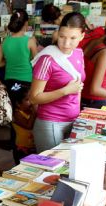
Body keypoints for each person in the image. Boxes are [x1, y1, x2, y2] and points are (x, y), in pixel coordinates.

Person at [29, 12, 86, 153]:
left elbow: (78, 87)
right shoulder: (47, 59)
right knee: (52, 168)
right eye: (62, 37)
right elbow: (34, 97)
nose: (66, 43)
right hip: (51, 123)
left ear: (82, 36)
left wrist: (78, 116)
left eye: (73, 38)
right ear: (57, 33)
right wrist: (65, 91)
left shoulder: (79, 53)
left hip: (74, 120)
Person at [0, 10, 37, 90]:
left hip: (9, 81)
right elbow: (37, 63)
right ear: (26, 23)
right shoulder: (30, 41)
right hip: (27, 81)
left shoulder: (5, 41)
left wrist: (9, 61)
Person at [9, 83, 36, 164]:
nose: (31, 102)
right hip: (22, 148)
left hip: (32, 146)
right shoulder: (17, 113)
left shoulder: (29, 112)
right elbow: (28, 125)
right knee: (22, 164)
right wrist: (34, 112)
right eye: (27, 100)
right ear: (18, 103)